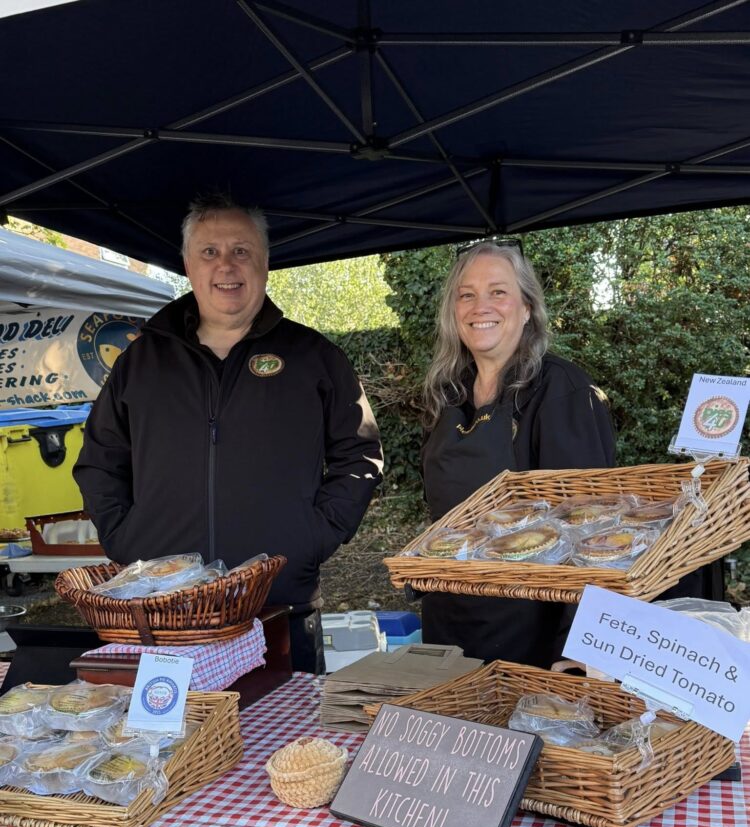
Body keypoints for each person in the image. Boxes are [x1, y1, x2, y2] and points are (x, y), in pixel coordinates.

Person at [73, 193, 383, 673]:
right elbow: (100, 460)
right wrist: (125, 540)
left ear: (264, 261)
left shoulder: (314, 356)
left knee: (287, 742)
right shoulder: (141, 361)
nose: (226, 266)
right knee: (176, 747)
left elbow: (359, 455)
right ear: (187, 264)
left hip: (279, 606)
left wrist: (311, 537)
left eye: (241, 250)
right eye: (209, 252)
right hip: (166, 612)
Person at [420, 238, 616, 668]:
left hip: (531, 637)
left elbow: (590, 526)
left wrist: (578, 652)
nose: (479, 306)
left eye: (498, 292)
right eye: (466, 295)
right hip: (449, 624)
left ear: (527, 308)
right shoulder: (450, 392)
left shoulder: (561, 392)